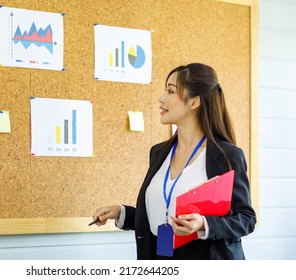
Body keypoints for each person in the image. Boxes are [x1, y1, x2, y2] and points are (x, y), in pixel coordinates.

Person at [92, 63, 256, 260]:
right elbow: (163, 216)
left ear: (194, 102)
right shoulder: (158, 152)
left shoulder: (227, 156)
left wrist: (204, 224)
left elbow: (246, 219)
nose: (161, 98)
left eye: (170, 91)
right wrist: (121, 213)